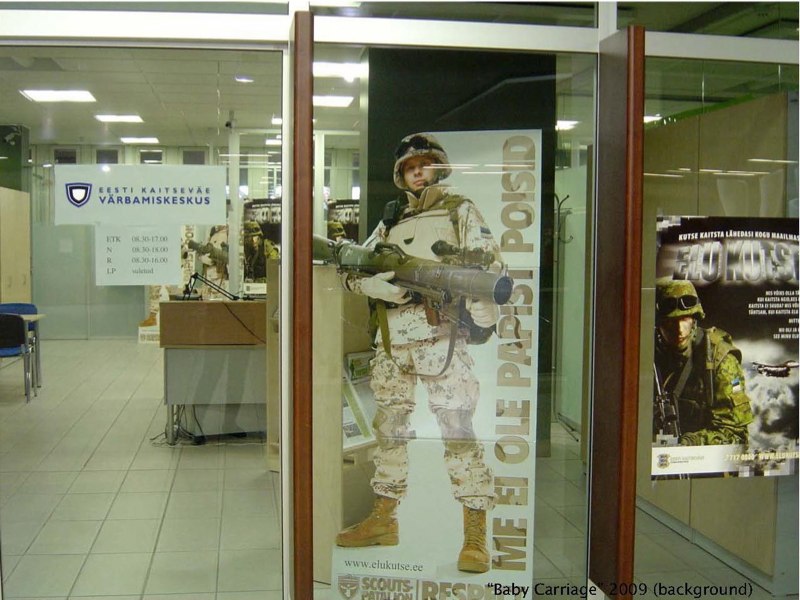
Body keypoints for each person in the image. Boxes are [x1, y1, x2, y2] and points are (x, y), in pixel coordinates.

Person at [335, 133, 501, 573]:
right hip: (393, 343)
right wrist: (367, 285)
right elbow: (353, 266)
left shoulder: (459, 210)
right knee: (390, 432)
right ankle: (384, 520)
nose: (417, 172)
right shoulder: (390, 222)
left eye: (424, 165)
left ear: (439, 167)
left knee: (459, 434)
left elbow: (490, 265)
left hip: (441, 338)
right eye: (410, 167)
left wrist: (486, 309)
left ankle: (475, 535)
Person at [654, 278, 754, 446]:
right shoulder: (645, 354)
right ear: (658, 323)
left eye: (685, 319)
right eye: (671, 321)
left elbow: (736, 434)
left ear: (695, 319)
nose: (679, 329)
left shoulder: (721, 360)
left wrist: (689, 443)